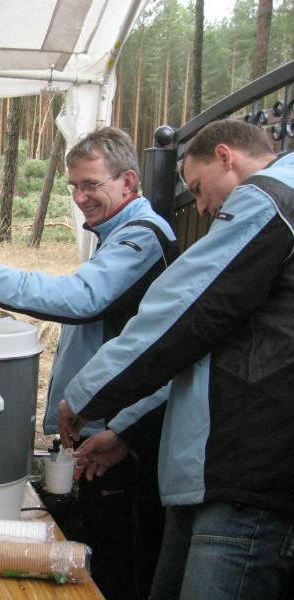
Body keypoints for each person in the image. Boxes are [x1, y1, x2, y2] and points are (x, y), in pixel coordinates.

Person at [60, 119, 294, 599]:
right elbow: (209, 350)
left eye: (199, 187)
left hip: (245, 475)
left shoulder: (269, 197)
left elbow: (184, 311)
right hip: (216, 473)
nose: (201, 207)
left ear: (226, 157)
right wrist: (129, 430)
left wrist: (85, 393)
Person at [0, 127, 178, 600]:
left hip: (120, 430)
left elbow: (83, 298)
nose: (80, 197)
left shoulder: (142, 237)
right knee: (103, 547)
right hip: (104, 425)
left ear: (128, 181)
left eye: (91, 184)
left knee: (120, 561)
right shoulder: (115, 234)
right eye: (74, 186)